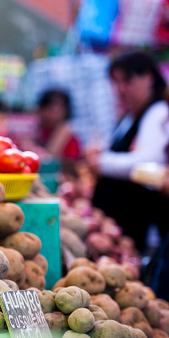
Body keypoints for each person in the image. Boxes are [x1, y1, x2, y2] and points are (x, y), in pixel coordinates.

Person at [87, 51, 169, 251]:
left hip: (137, 227)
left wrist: (102, 162)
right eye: (116, 83)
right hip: (120, 229)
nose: (121, 89)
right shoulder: (131, 115)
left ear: (148, 77)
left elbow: (147, 163)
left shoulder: (157, 112)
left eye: (127, 81)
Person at [36, 89, 81, 160]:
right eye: (50, 109)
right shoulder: (41, 130)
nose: (53, 115)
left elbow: (50, 157)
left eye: (58, 111)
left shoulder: (68, 134)